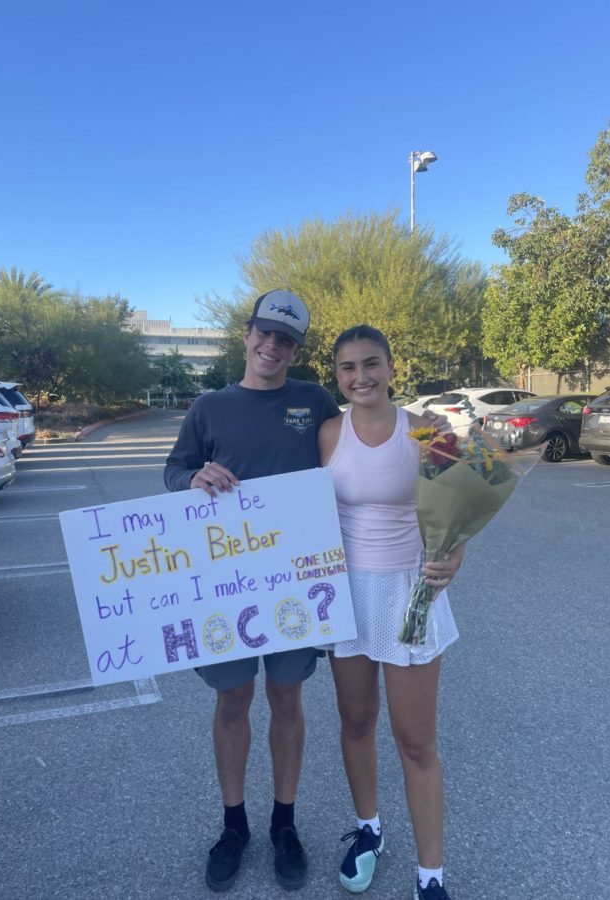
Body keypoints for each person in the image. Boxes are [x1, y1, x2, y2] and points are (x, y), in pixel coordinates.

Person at [164, 289, 341, 893]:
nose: (272, 346)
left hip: (295, 584)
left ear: (296, 349)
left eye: (286, 339)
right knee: (233, 701)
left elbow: (360, 455)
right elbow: (174, 471)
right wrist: (193, 476)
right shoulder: (209, 406)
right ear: (246, 334)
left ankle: (283, 824)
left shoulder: (315, 401)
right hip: (226, 586)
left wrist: (447, 450)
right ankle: (233, 825)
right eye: (265, 333)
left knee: (288, 702)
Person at [318, 324, 464, 900]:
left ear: (391, 366)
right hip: (346, 595)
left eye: (371, 364)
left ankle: (431, 877)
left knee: (415, 740)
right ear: (337, 375)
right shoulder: (329, 434)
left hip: (411, 593)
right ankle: (368, 831)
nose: (361, 377)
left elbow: (462, 509)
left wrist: (455, 556)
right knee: (356, 722)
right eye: (348, 368)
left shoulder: (432, 431)